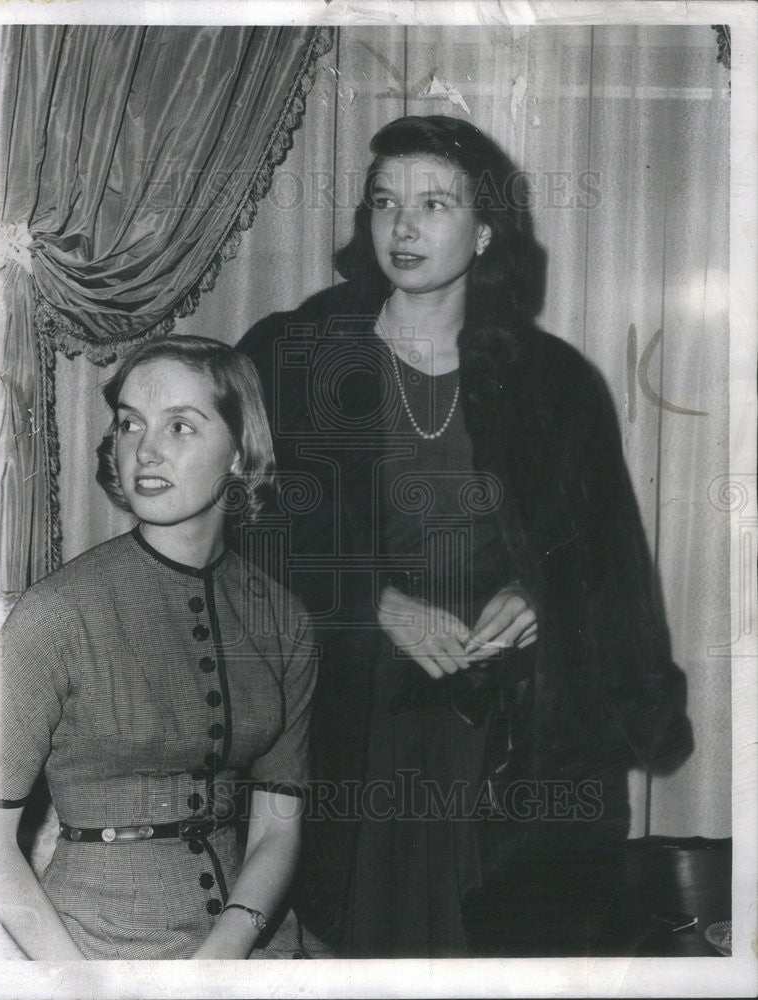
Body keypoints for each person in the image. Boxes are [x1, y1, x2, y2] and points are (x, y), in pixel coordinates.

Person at [239, 115, 693, 958]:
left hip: (508, 721)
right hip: (351, 711)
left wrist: (536, 592)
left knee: (498, 948)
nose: (402, 227)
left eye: (433, 204)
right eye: (384, 203)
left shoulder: (554, 381)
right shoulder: (292, 355)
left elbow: (608, 559)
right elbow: (243, 525)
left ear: (484, 231)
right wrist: (373, 603)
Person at [0, 336, 317, 960]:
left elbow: (277, 828)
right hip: (91, 949)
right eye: (130, 424)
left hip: (252, 940)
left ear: (239, 449)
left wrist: (222, 957)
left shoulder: (284, 620)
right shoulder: (53, 617)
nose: (145, 449)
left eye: (181, 426)